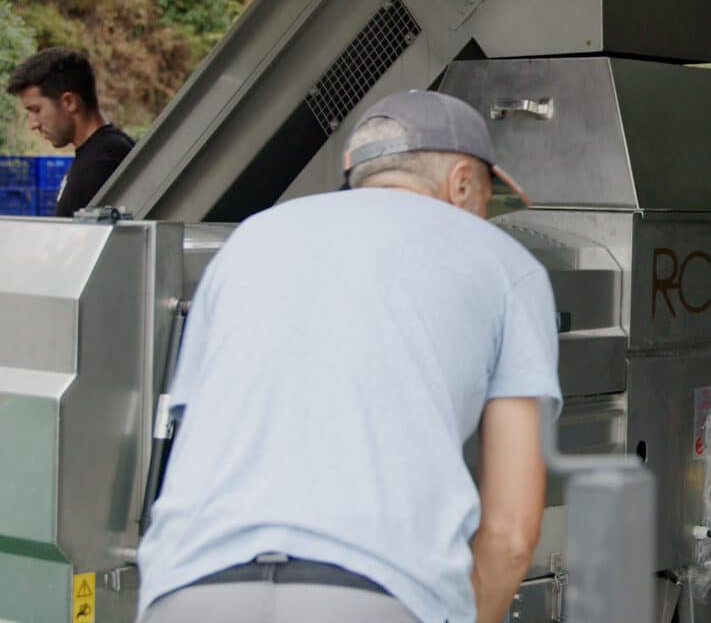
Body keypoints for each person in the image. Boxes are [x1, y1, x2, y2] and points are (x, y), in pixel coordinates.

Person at [136, 90, 561, 623]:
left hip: (187, 586)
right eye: (486, 198)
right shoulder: (506, 265)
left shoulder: (250, 241)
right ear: (460, 182)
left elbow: (190, 429)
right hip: (375, 592)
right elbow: (510, 533)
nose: (484, 216)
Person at [5, 47, 134, 216]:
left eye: (36, 110)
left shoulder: (103, 161)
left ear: (69, 102)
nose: (32, 124)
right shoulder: (97, 153)